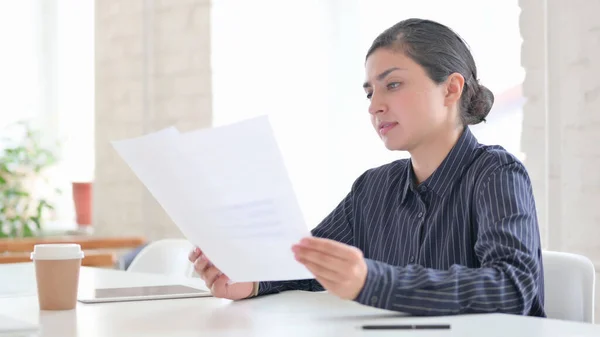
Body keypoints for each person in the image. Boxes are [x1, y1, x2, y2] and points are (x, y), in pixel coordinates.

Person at [188, 18, 545, 317]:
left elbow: (513, 288)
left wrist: (372, 281)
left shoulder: (496, 173)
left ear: (451, 89)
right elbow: (312, 263)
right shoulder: (373, 188)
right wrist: (250, 281)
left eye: (393, 84)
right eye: (369, 92)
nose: (375, 105)